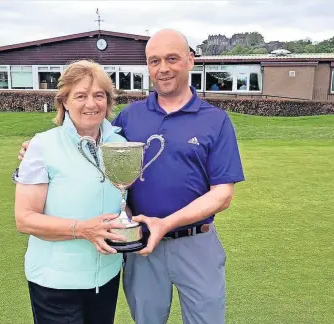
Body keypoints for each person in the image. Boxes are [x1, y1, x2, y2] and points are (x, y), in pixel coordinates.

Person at [19, 29, 245, 324]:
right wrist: (32, 152)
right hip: (140, 246)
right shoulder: (128, 120)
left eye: (172, 58)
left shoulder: (216, 120)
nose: (163, 68)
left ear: (190, 61)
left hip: (196, 244)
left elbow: (222, 194)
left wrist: (165, 224)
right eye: (154, 61)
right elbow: (86, 143)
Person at [14, 60, 129, 324]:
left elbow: (121, 200)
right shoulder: (42, 145)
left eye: (99, 95)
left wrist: (129, 223)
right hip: (56, 283)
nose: (91, 103)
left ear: (108, 101)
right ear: (64, 101)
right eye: (81, 95)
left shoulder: (120, 143)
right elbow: (25, 218)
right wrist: (83, 229)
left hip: (106, 276)